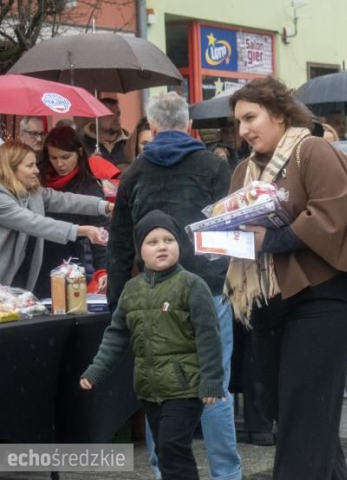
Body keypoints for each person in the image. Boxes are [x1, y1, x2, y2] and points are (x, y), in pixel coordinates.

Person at [226, 77, 347, 479]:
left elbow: (330, 216)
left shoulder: (311, 150)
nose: (244, 129)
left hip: (323, 296)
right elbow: (236, 229)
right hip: (268, 301)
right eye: (238, 122)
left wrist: (273, 238)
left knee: (304, 410)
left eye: (251, 117)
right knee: (293, 411)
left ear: (279, 114)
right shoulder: (244, 171)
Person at [108, 93, 242, 480]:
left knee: (158, 387)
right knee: (214, 383)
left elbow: (119, 243)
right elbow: (230, 227)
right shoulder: (212, 167)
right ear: (188, 126)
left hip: (152, 296)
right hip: (209, 288)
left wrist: (120, 301)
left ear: (151, 128)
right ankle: (225, 474)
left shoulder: (133, 172)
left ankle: (162, 471)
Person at [81, 210, 224, 480]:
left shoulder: (192, 285)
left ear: (179, 245)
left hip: (185, 387)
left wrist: (212, 381)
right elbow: (116, 335)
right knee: (164, 451)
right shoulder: (131, 290)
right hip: (149, 388)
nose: (162, 246)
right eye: (153, 241)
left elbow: (209, 337)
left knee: (173, 447)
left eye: (168, 240)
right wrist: (96, 370)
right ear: (140, 250)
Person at [0, 141, 109, 291]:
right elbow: (35, 223)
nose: (37, 170)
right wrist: (82, 230)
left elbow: (66, 200)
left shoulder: (32, 192)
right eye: (29, 166)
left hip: (21, 279)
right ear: (10, 169)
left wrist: (105, 206)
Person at [35, 126, 115, 297]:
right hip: (37, 261)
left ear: (79, 152)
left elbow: (101, 231)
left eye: (65, 157)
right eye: (53, 158)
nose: (59, 164)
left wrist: (102, 270)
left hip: (72, 265)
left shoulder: (88, 186)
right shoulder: (37, 180)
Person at [83, 97, 131, 168]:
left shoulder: (129, 143)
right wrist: (89, 165)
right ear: (94, 118)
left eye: (118, 114)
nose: (116, 118)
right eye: (110, 114)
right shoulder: (82, 144)